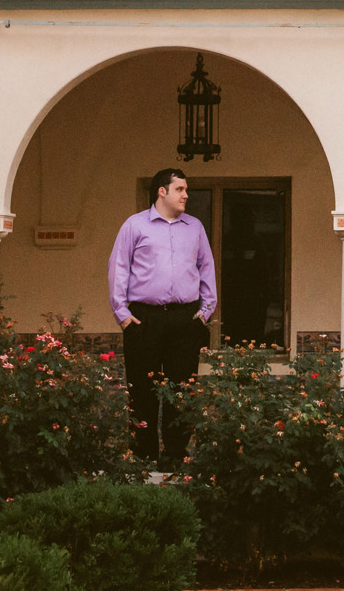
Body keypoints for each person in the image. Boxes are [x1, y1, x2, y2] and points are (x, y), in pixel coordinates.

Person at [108, 167, 216, 464]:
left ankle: (176, 456)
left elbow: (206, 269)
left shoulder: (194, 227)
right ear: (162, 191)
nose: (186, 194)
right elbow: (119, 268)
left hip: (185, 318)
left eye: (186, 189)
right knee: (142, 390)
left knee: (183, 391)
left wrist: (205, 311)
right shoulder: (134, 225)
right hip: (144, 318)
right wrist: (123, 314)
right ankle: (143, 458)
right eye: (180, 189)